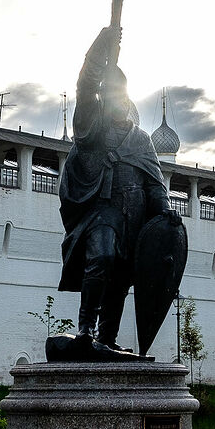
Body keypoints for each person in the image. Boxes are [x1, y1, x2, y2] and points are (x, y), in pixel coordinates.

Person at [57, 24, 171, 354]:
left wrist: (165, 212)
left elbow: (154, 183)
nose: (117, 101)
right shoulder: (92, 129)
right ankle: (85, 330)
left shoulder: (141, 140)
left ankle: (107, 337)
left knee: (121, 277)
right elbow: (85, 84)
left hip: (134, 215)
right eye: (111, 96)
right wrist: (102, 42)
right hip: (102, 210)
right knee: (102, 257)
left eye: (121, 96)